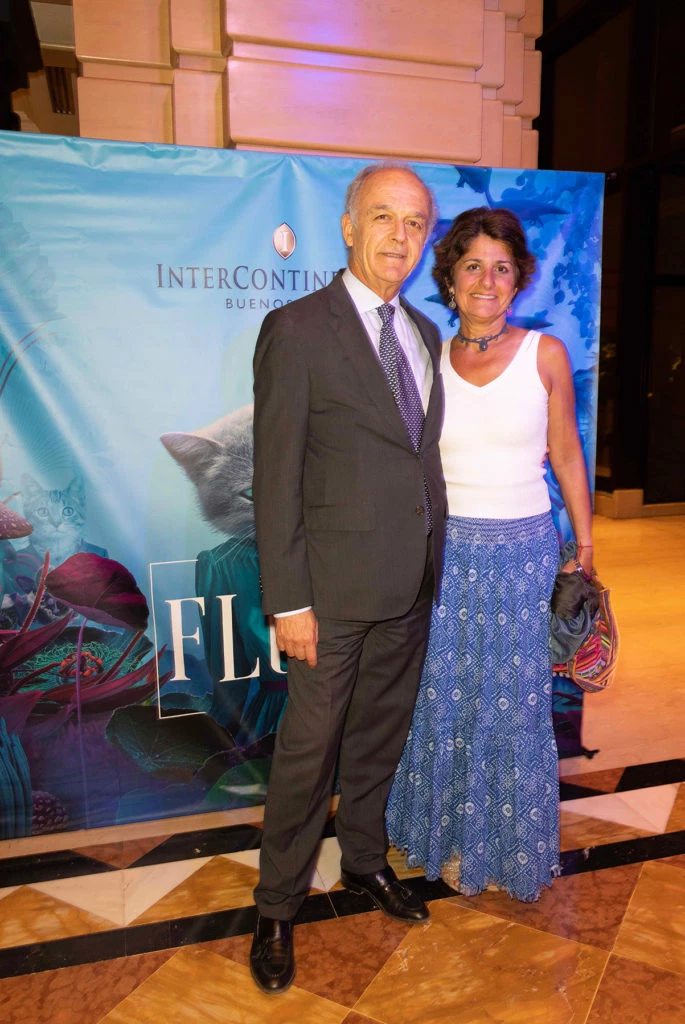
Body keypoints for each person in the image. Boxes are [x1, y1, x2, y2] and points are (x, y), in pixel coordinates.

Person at [250, 163, 447, 993]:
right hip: (327, 596)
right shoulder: (296, 328)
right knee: (307, 754)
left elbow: (414, 459)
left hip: (409, 584)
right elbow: (275, 476)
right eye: (383, 217)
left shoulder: (424, 332)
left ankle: (364, 860)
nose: (399, 236)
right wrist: (289, 601)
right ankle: (276, 905)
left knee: (376, 738)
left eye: (415, 222)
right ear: (347, 225)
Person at [386, 206, 594, 903]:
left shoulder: (544, 354)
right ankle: (442, 836)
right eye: (472, 265)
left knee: (512, 705)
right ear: (449, 278)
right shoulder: (426, 359)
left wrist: (585, 546)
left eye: (501, 268)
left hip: (525, 556)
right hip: (446, 555)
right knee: (443, 697)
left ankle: (505, 846)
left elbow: (566, 453)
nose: (486, 280)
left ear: (518, 280)